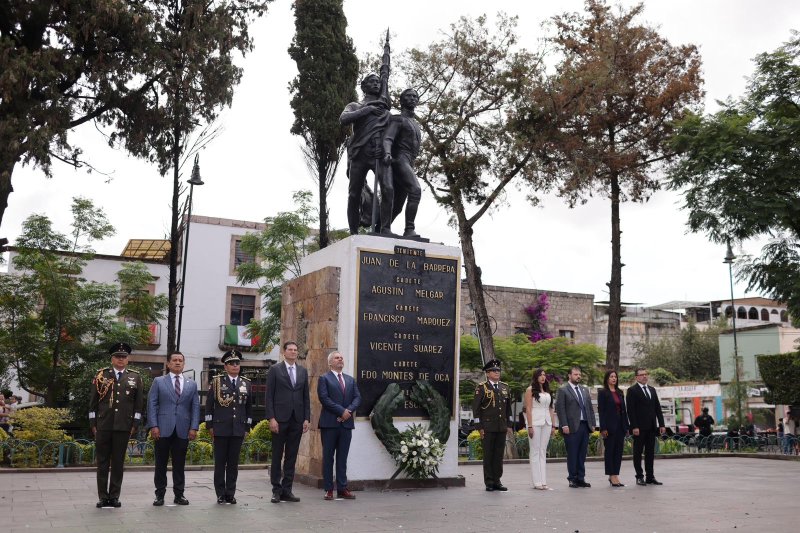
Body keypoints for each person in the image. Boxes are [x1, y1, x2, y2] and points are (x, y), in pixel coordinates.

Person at [88, 342, 143, 508]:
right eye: (118, 356)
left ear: (128, 360)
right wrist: (93, 424)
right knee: (102, 462)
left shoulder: (135, 377)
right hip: (103, 425)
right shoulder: (101, 375)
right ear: (112, 358)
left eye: (124, 357)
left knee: (118, 463)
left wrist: (135, 423)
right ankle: (103, 497)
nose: (121, 359)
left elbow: (138, 405)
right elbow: (92, 404)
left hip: (123, 426)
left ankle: (114, 496)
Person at [340, 73, 392, 235]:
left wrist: (384, 149)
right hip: (359, 154)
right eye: (372, 82)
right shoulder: (356, 105)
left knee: (388, 189)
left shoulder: (384, 108)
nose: (376, 84)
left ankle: (384, 228)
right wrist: (368, 109)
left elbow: (390, 134)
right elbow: (343, 119)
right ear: (364, 86)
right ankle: (353, 232)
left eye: (378, 81)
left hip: (378, 153)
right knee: (354, 193)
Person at [148, 352, 200, 506]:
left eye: (180, 360)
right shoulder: (158, 381)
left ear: (184, 364)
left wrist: (194, 427)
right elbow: (152, 404)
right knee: (160, 465)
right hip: (162, 428)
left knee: (179, 465)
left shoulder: (192, 384)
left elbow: (195, 407)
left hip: (183, 429)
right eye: (174, 360)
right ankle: (160, 495)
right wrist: (153, 425)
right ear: (168, 363)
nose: (177, 363)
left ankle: (179, 495)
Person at [265, 340, 310, 503]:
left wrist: (306, 418)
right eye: (290, 349)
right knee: (277, 455)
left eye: (295, 349)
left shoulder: (303, 371)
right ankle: (276, 490)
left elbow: (306, 396)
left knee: (291, 456)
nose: (293, 352)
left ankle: (287, 490)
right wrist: (271, 418)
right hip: (279, 419)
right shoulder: (275, 370)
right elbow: (269, 396)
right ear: (284, 352)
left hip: (297, 419)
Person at [205, 349, 253, 504]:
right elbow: (209, 406)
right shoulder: (217, 381)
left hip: (238, 428)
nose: (235, 366)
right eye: (231, 363)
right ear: (225, 366)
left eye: (237, 363)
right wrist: (209, 425)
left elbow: (249, 409)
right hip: (220, 428)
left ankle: (230, 493)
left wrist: (247, 427)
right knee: (220, 463)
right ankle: (220, 493)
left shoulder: (246, 383)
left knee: (233, 464)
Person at [317, 350, 362, 501]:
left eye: (341, 358)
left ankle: (342, 488)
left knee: (342, 458)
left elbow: (357, 397)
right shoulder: (324, 378)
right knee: (328, 457)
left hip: (346, 425)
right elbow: (324, 398)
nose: (340, 359)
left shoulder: (350, 380)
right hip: (329, 424)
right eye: (337, 358)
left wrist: (348, 411)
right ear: (330, 362)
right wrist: (341, 411)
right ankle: (329, 489)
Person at [382, 88, 423, 238]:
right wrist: (386, 152)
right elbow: (388, 138)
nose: (412, 98)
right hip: (399, 159)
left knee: (398, 204)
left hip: (410, 162)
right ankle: (409, 229)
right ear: (402, 100)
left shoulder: (415, 124)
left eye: (415, 96)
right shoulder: (397, 119)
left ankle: (382, 226)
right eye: (408, 96)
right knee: (416, 190)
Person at [471, 359, 513, 492]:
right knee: (488, 455)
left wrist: (509, 425)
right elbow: (476, 410)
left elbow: (508, 410)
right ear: (487, 373)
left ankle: (497, 481)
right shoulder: (482, 388)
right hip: (488, 428)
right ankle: (489, 482)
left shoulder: (504, 387)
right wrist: (479, 427)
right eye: (494, 371)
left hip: (501, 427)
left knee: (498, 455)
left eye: (498, 371)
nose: (497, 373)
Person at [555, 366, 596, 488]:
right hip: (571, 427)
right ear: (569, 375)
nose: (578, 376)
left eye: (579, 374)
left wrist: (593, 423)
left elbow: (589, 408)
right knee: (572, 454)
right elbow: (560, 409)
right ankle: (572, 478)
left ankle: (581, 478)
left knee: (582, 454)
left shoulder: (584, 390)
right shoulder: (563, 390)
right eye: (575, 374)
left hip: (584, 425)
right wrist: (564, 425)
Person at [625, 367, 666, 486]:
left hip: (652, 427)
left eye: (646, 374)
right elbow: (631, 410)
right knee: (637, 453)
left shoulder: (652, 390)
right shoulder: (632, 390)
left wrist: (662, 424)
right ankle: (639, 476)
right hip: (639, 428)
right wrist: (634, 427)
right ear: (636, 377)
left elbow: (657, 408)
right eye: (641, 374)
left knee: (650, 453)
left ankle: (650, 476)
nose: (644, 376)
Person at [524, 368, 555, 490]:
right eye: (540, 375)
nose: (543, 377)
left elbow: (551, 408)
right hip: (535, 422)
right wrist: (530, 426)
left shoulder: (547, 390)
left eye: (544, 375)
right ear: (536, 376)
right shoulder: (530, 389)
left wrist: (553, 425)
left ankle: (544, 481)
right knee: (535, 451)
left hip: (546, 422)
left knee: (543, 451)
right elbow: (528, 409)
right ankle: (537, 482)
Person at [597, 369, 628, 487]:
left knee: (618, 451)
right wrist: (603, 428)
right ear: (607, 379)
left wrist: (626, 426)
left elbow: (624, 411)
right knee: (610, 451)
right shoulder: (603, 392)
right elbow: (602, 411)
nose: (614, 378)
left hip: (620, 425)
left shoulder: (620, 392)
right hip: (609, 426)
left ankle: (616, 474)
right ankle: (611, 475)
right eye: (611, 377)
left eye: (615, 376)